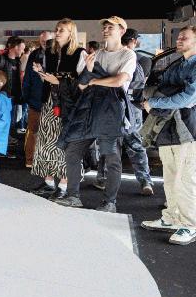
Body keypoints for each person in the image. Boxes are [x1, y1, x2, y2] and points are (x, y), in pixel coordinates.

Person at [55, 16, 137, 213]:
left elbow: (119, 81)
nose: (106, 30)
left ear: (121, 31)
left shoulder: (128, 55)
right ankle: (73, 196)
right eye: (104, 28)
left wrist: (93, 79)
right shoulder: (96, 54)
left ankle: (110, 202)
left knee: (112, 158)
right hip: (90, 110)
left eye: (110, 27)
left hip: (110, 112)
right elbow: (82, 86)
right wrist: (90, 72)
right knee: (72, 151)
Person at [141, 26, 196, 244]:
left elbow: (188, 98)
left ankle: (190, 224)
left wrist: (155, 102)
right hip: (167, 127)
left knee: (186, 179)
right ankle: (172, 217)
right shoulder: (177, 64)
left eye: (185, 37)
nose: (179, 40)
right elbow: (161, 86)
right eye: (179, 37)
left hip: (188, 129)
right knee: (171, 178)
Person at [30, 20, 86, 198]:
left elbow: (83, 83)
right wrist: (41, 72)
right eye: (57, 29)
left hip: (68, 105)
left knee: (63, 144)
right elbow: (47, 79)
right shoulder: (50, 52)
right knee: (45, 142)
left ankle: (63, 185)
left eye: (62, 30)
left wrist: (59, 81)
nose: (58, 32)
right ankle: (48, 183)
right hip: (49, 101)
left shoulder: (80, 53)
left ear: (71, 33)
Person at [116, 27, 155, 195]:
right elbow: (143, 84)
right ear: (134, 41)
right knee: (136, 145)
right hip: (133, 108)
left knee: (110, 144)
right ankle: (145, 181)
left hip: (113, 105)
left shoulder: (112, 57)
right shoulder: (144, 60)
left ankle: (102, 178)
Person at [0, 36, 26, 157]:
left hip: (14, 98)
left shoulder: (18, 61)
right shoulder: (1, 59)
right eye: (21, 48)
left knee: (10, 124)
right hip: (2, 98)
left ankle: (4, 149)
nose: (23, 51)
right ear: (14, 47)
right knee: (1, 123)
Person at [22, 30, 54, 169]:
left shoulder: (58, 54)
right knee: (33, 130)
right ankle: (30, 160)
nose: (45, 43)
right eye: (42, 41)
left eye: (47, 41)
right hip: (36, 99)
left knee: (50, 132)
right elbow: (28, 77)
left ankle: (46, 160)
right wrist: (26, 96)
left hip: (53, 100)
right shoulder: (34, 55)